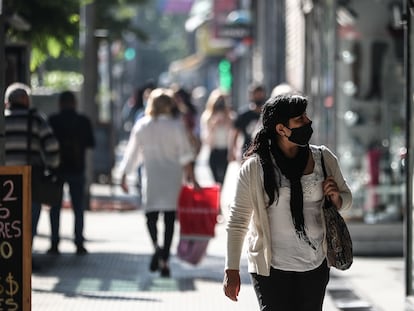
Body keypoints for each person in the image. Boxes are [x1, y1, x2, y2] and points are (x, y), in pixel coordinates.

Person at [223, 93, 353, 310]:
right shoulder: (255, 168)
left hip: (315, 265)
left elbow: (347, 200)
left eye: (306, 116)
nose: (308, 121)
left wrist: (337, 199)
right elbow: (237, 221)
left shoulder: (323, 158)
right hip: (270, 269)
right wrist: (231, 269)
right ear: (281, 129)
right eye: (300, 119)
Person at [119, 88, 199, 278]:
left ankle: (156, 247)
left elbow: (132, 153)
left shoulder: (143, 125)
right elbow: (185, 154)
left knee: (151, 215)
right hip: (172, 177)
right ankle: (165, 257)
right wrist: (192, 178)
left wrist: (124, 175)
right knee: (170, 218)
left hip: (152, 175)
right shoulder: (176, 126)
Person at [4, 82, 60, 247]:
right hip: (29, 178)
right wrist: (51, 166)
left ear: (8, 101)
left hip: (4, 179)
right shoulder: (35, 119)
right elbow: (52, 147)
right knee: (28, 221)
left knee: (7, 223)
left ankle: (10, 261)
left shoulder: (2, 119)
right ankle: (26, 258)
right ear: (26, 100)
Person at [48, 90, 95, 255]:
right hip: (77, 168)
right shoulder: (83, 121)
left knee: (55, 207)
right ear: (75, 103)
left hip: (57, 169)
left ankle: (54, 242)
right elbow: (91, 143)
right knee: (78, 207)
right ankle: (79, 241)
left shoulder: (53, 121)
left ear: (60, 103)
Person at [200, 88, 234, 184]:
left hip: (225, 151)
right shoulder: (207, 117)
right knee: (215, 179)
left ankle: (220, 196)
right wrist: (213, 126)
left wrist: (226, 123)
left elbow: (232, 135)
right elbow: (205, 139)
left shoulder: (230, 117)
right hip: (214, 150)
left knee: (223, 179)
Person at [228, 83, 266, 162]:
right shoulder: (243, 115)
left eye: (260, 94)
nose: (258, 97)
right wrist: (232, 151)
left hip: (264, 152)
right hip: (247, 153)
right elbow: (235, 133)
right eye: (255, 94)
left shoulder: (268, 114)